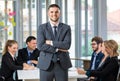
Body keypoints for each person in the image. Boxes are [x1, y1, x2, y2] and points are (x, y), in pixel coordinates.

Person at [37, 4, 72, 81]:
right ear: (48, 13)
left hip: (62, 64)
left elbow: (67, 45)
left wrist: (51, 42)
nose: (54, 14)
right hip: (45, 65)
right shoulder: (42, 27)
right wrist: (57, 49)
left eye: (56, 12)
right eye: (51, 12)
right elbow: (40, 46)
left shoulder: (66, 28)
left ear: (60, 13)